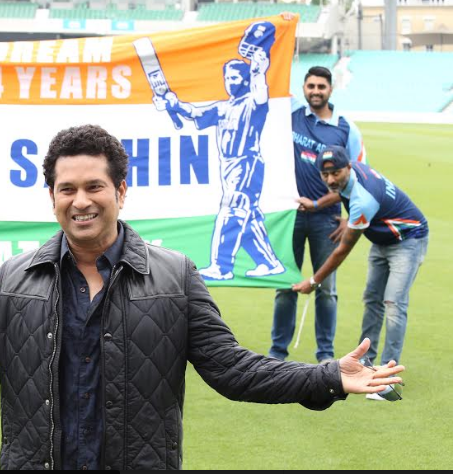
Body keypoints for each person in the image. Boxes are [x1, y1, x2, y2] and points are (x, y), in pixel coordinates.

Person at [0, 125, 404, 470]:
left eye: (95, 185)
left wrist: (326, 378)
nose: (81, 199)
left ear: (121, 191)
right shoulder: (15, 278)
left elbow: (233, 372)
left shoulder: (176, 276)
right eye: (66, 187)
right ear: (51, 196)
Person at [293, 145, 427, 398]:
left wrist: (313, 280)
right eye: (325, 174)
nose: (331, 179)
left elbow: (342, 250)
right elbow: (339, 193)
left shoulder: (364, 200)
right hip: (382, 238)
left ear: (349, 168)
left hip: (409, 238)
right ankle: (365, 365)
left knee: (394, 303)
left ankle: (386, 377)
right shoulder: (353, 177)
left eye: (336, 173)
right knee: (371, 300)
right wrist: (317, 204)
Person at [164, 21, 285, 281]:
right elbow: (195, 114)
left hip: (247, 162)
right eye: (227, 78)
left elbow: (261, 90)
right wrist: (174, 103)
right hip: (228, 165)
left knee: (232, 209)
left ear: (244, 78)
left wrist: (258, 71)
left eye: (234, 77)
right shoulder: (224, 107)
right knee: (247, 214)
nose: (230, 82)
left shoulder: (254, 103)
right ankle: (269, 262)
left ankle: (222, 266)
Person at [269, 66, 367, 364]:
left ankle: (325, 354)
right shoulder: (292, 115)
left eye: (321, 86)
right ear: (303, 88)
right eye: (310, 86)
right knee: (285, 284)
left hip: (327, 219)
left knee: (326, 289)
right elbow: (268, 76)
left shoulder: (346, 128)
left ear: (330, 90)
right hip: (289, 216)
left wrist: (349, 215)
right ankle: (277, 352)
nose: (315, 91)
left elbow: (358, 176)